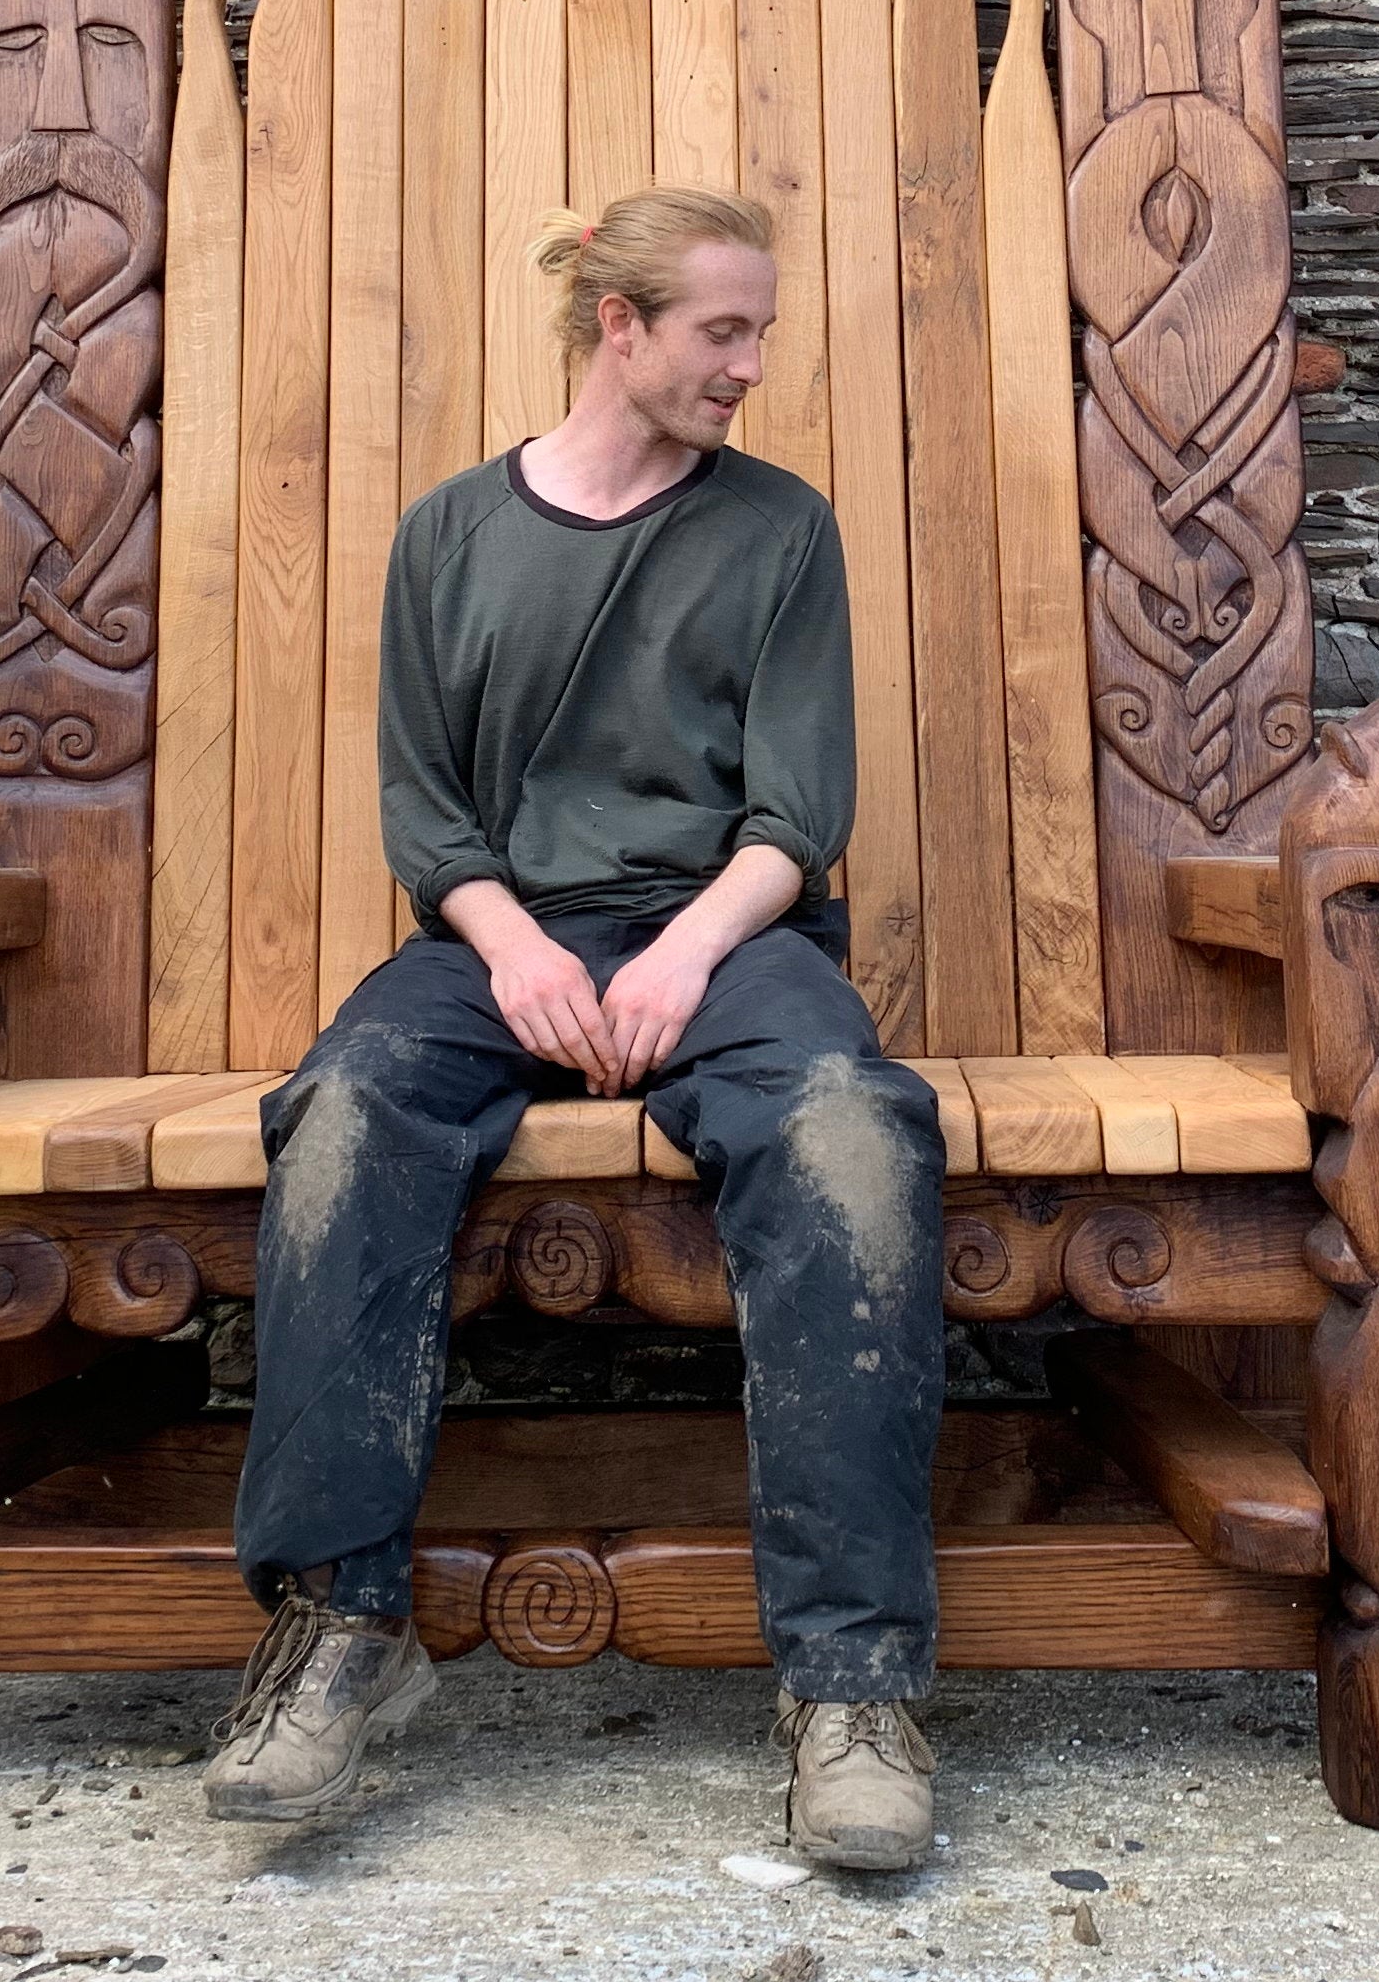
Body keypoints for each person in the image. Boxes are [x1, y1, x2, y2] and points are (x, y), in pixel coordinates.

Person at [201, 185, 951, 1869]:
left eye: (760, 330)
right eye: (723, 331)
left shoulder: (781, 531)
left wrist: (680, 961)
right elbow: (427, 811)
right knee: (349, 1109)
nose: (752, 364)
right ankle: (339, 1634)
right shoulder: (453, 535)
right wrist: (517, 950)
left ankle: (854, 1685)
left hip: (725, 937)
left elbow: (794, 812)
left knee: (848, 1124)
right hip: (500, 941)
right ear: (619, 326)